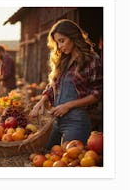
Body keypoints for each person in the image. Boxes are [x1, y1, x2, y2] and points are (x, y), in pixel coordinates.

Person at [29, 19, 102, 149]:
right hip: (55, 120)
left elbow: (98, 93)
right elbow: (53, 85)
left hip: (76, 121)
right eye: (57, 42)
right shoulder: (63, 60)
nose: (60, 46)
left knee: (68, 161)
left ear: (73, 37)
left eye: (62, 41)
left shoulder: (91, 60)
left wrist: (69, 105)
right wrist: (42, 101)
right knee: (45, 155)